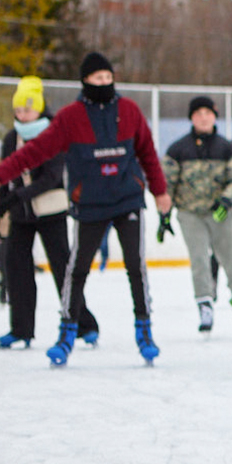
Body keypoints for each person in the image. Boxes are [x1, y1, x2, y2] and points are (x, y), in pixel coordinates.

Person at [0, 52, 171, 366]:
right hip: (90, 202)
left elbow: (147, 152)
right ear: (85, 81)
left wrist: (160, 192)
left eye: (108, 77)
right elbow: (34, 152)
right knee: (76, 270)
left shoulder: (129, 111)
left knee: (136, 266)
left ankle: (144, 331)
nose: (104, 83)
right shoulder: (70, 117)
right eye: (98, 78)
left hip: (127, 198)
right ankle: (67, 332)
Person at [0, 76, 102, 348]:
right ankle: (21, 329)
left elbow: (51, 178)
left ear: (40, 108)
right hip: (21, 215)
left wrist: (14, 197)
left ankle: (84, 324)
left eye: (28, 109)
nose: (23, 115)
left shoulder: (54, 134)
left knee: (63, 269)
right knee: (16, 268)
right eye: (19, 110)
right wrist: (4, 201)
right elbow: (6, 174)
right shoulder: (11, 138)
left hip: (51, 213)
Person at [161, 96, 232, 335]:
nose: (203, 117)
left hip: (221, 213)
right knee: (199, 261)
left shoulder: (227, 148)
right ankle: (205, 305)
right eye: (198, 113)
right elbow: (167, 184)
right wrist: (164, 214)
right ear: (192, 118)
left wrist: (227, 201)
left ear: (215, 116)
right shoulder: (178, 149)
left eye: (208, 113)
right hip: (190, 214)